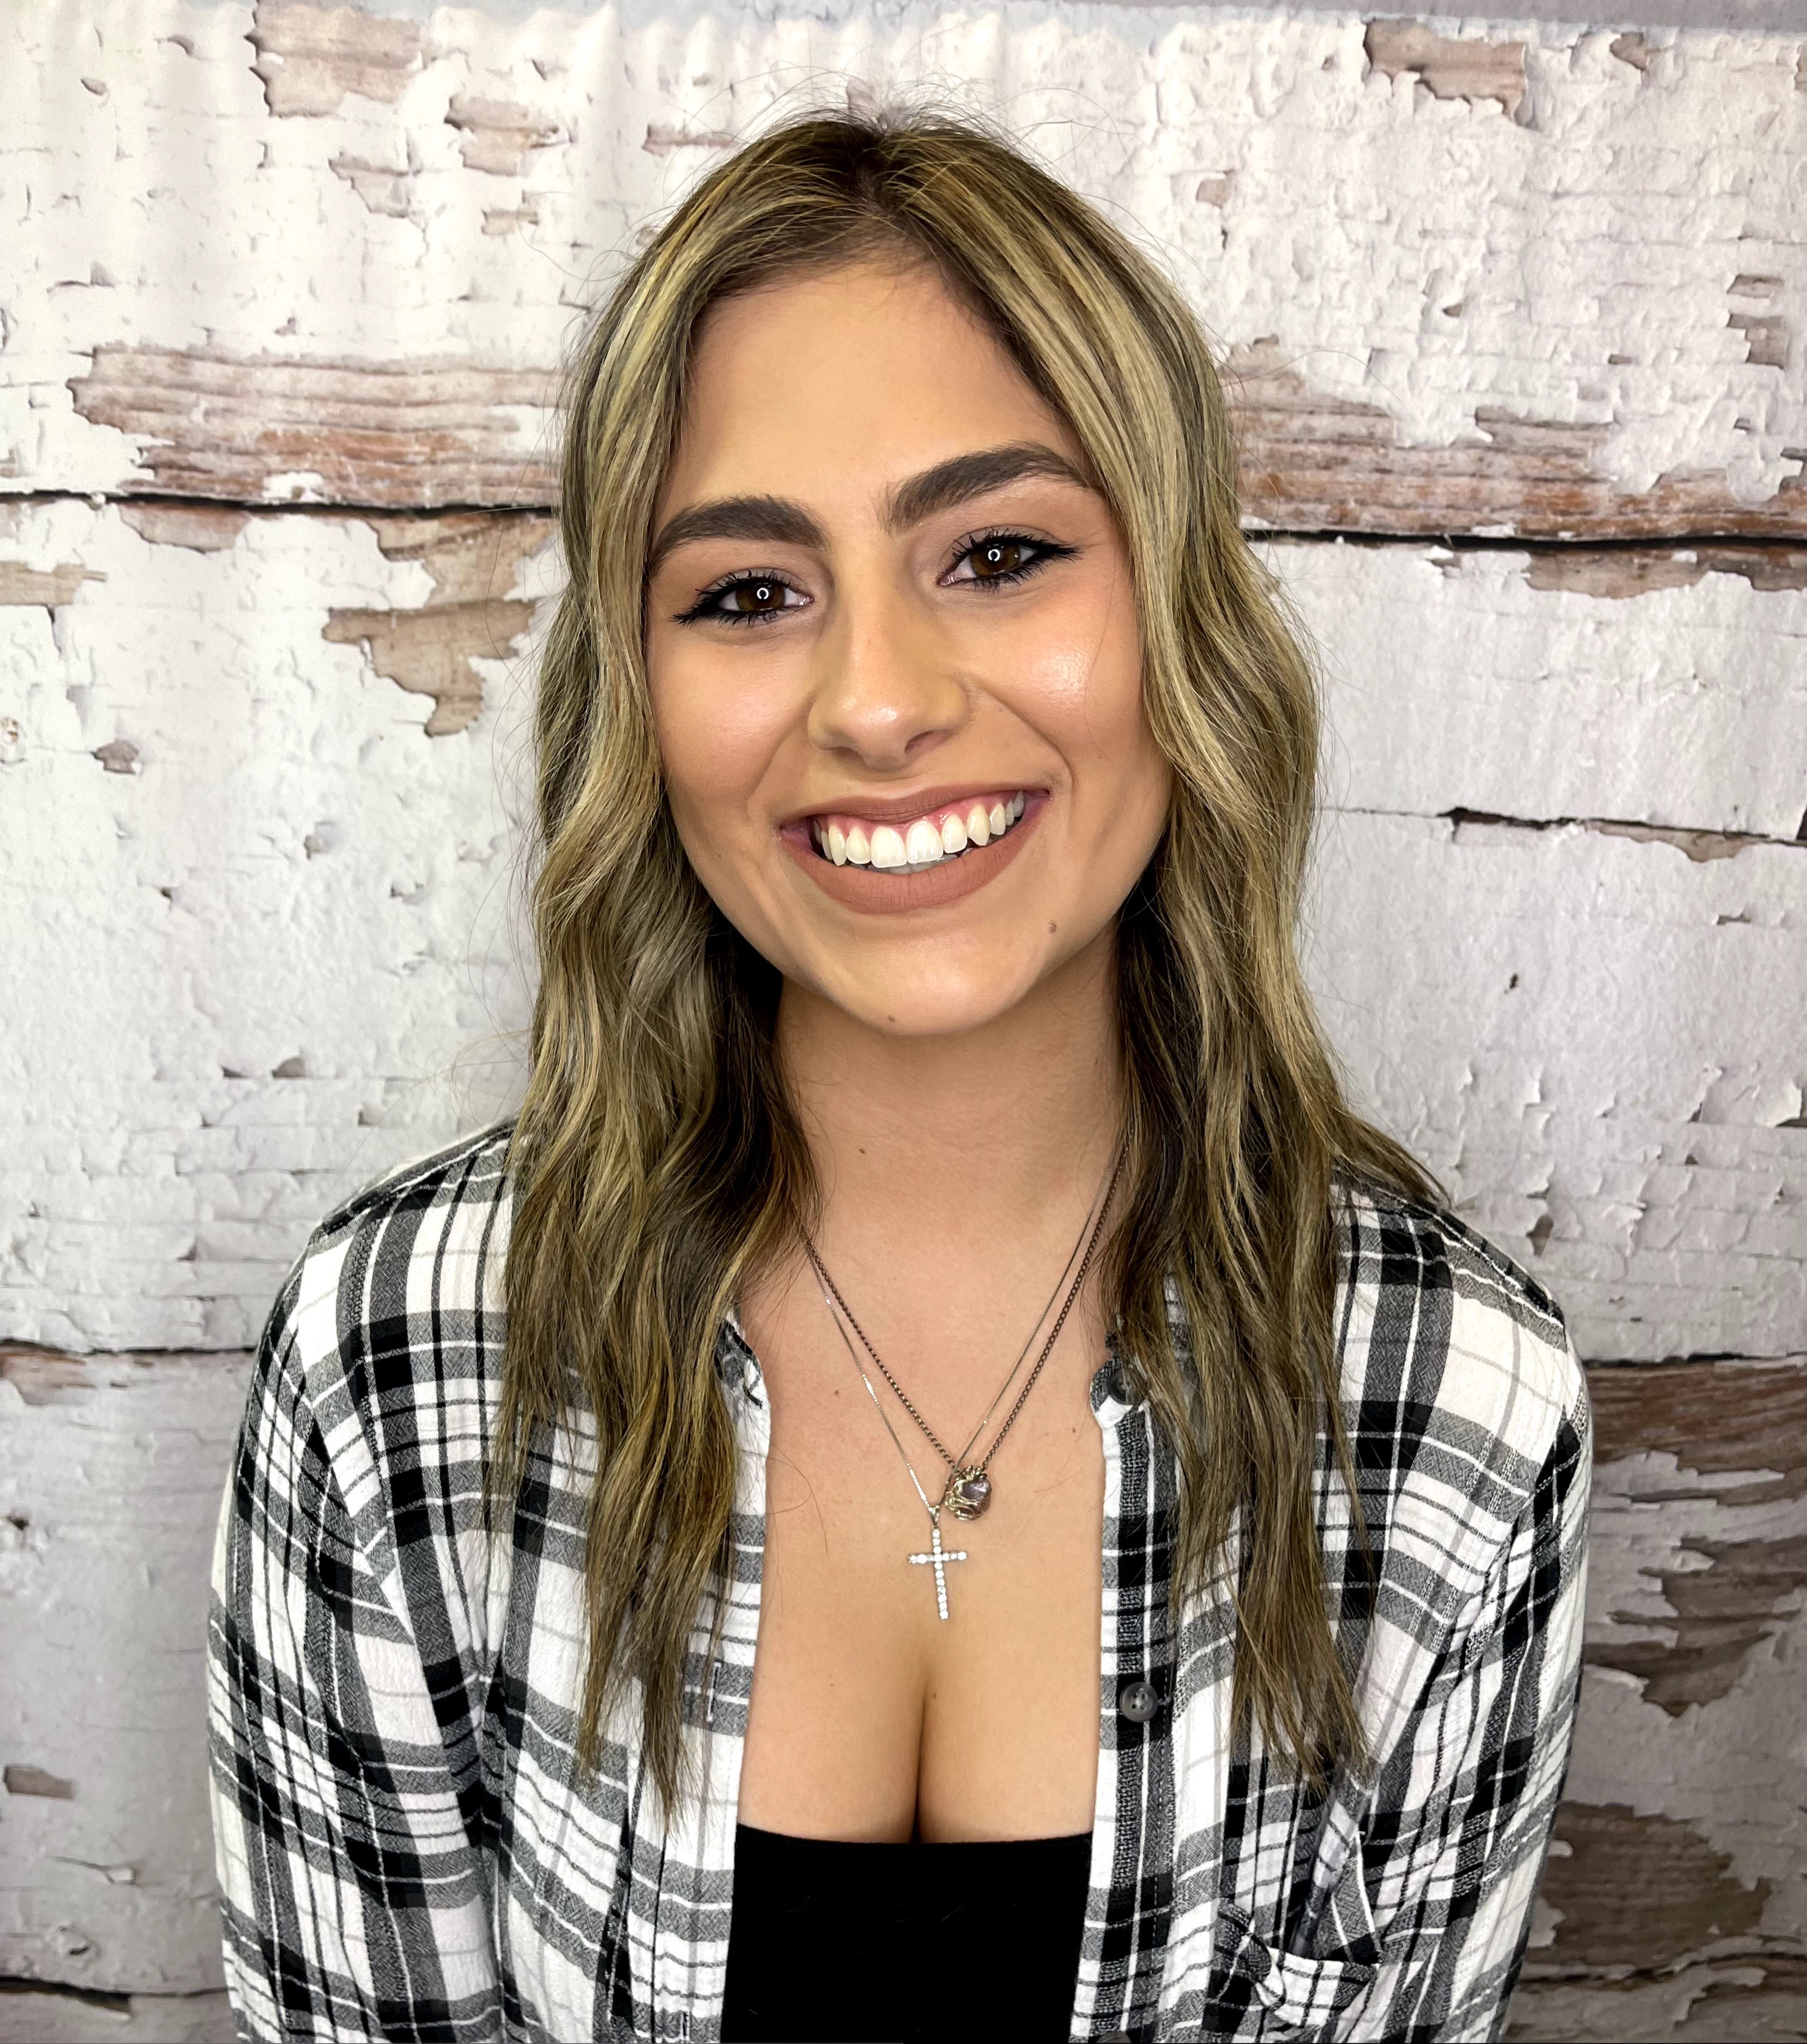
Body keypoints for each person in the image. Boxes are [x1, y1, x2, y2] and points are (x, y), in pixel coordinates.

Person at [206, 108, 1590, 2043]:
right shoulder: (396, 1369)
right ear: (639, 696)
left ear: (1179, 620)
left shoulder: (1456, 1411)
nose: (876, 702)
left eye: (1000, 554)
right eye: (747, 593)